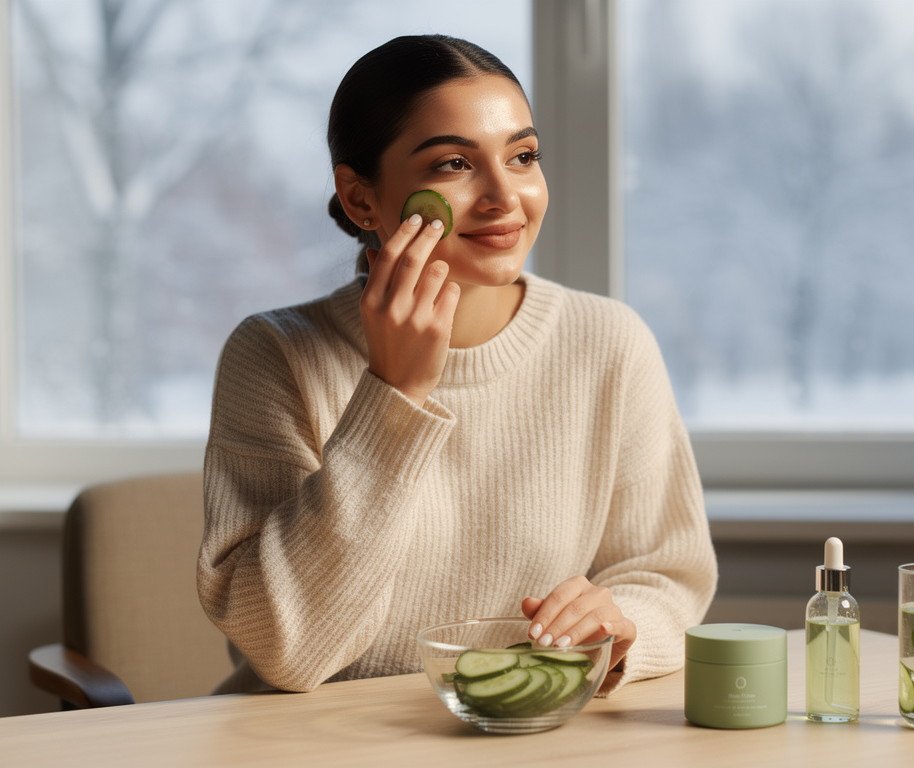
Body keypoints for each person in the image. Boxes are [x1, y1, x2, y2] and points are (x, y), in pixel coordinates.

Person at [196, 34, 717, 697]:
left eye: (523, 156)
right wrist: (395, 395)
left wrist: (618, 629)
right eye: (453, 165)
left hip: (523, 729)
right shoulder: (275, 355)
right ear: (361, 201)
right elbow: (287, 651)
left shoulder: (609, 342)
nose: (505, 196)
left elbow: (667, 575)